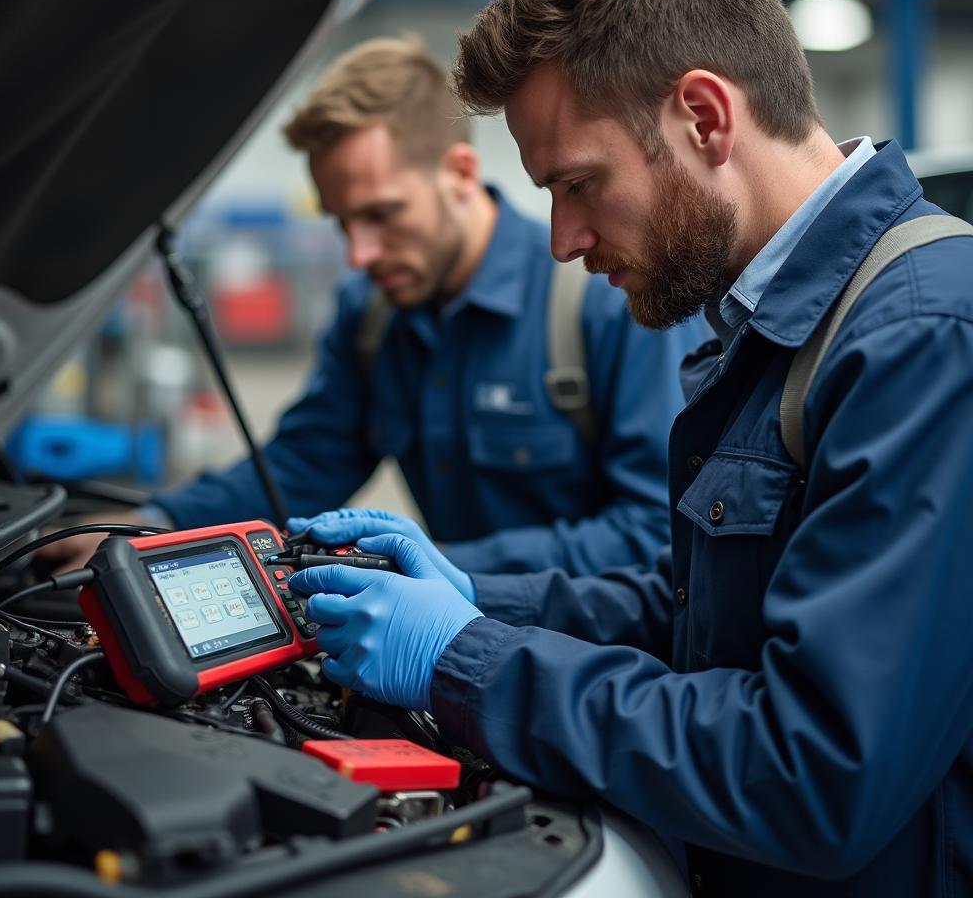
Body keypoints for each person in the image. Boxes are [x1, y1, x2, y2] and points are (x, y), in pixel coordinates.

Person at [287, 0, 973, 897]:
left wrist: (467, 659)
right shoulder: (773, 326)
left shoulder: (920, 337)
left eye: (577, 184)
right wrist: (482, 595)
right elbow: (701, 612)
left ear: (703, 116)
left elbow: (814, 773)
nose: (563, 239)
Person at [45, 38, 703, 574]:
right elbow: (303, 465)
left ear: (461, 175)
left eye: (382, 215)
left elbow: (654, 533)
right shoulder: (373, 316)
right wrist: (156, 525)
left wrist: (431, 564)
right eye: (340, 223)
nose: (359, 253)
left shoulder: (604, 300)